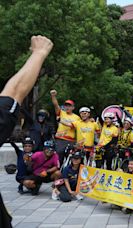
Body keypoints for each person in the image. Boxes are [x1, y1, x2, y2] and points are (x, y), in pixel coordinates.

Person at [0, 35, 53, 228]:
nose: (39, 118)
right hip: (31, 150)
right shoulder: (32, 125)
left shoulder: (47, 127)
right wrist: (39, 53)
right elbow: (14, 93)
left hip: (40, 150)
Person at [50, 89, 80, 165]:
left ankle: (68, 174)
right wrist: (53, 96)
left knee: (70, 159)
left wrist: (61, 121)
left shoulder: (77, 117)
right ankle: (58, 174)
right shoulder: (62, 113)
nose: (67, 107)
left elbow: (72, 126)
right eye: (66, 105)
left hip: (71, 141)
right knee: (58, 159)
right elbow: (56, 105)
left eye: (69, 106)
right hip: (60, 140)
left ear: (73, 107)